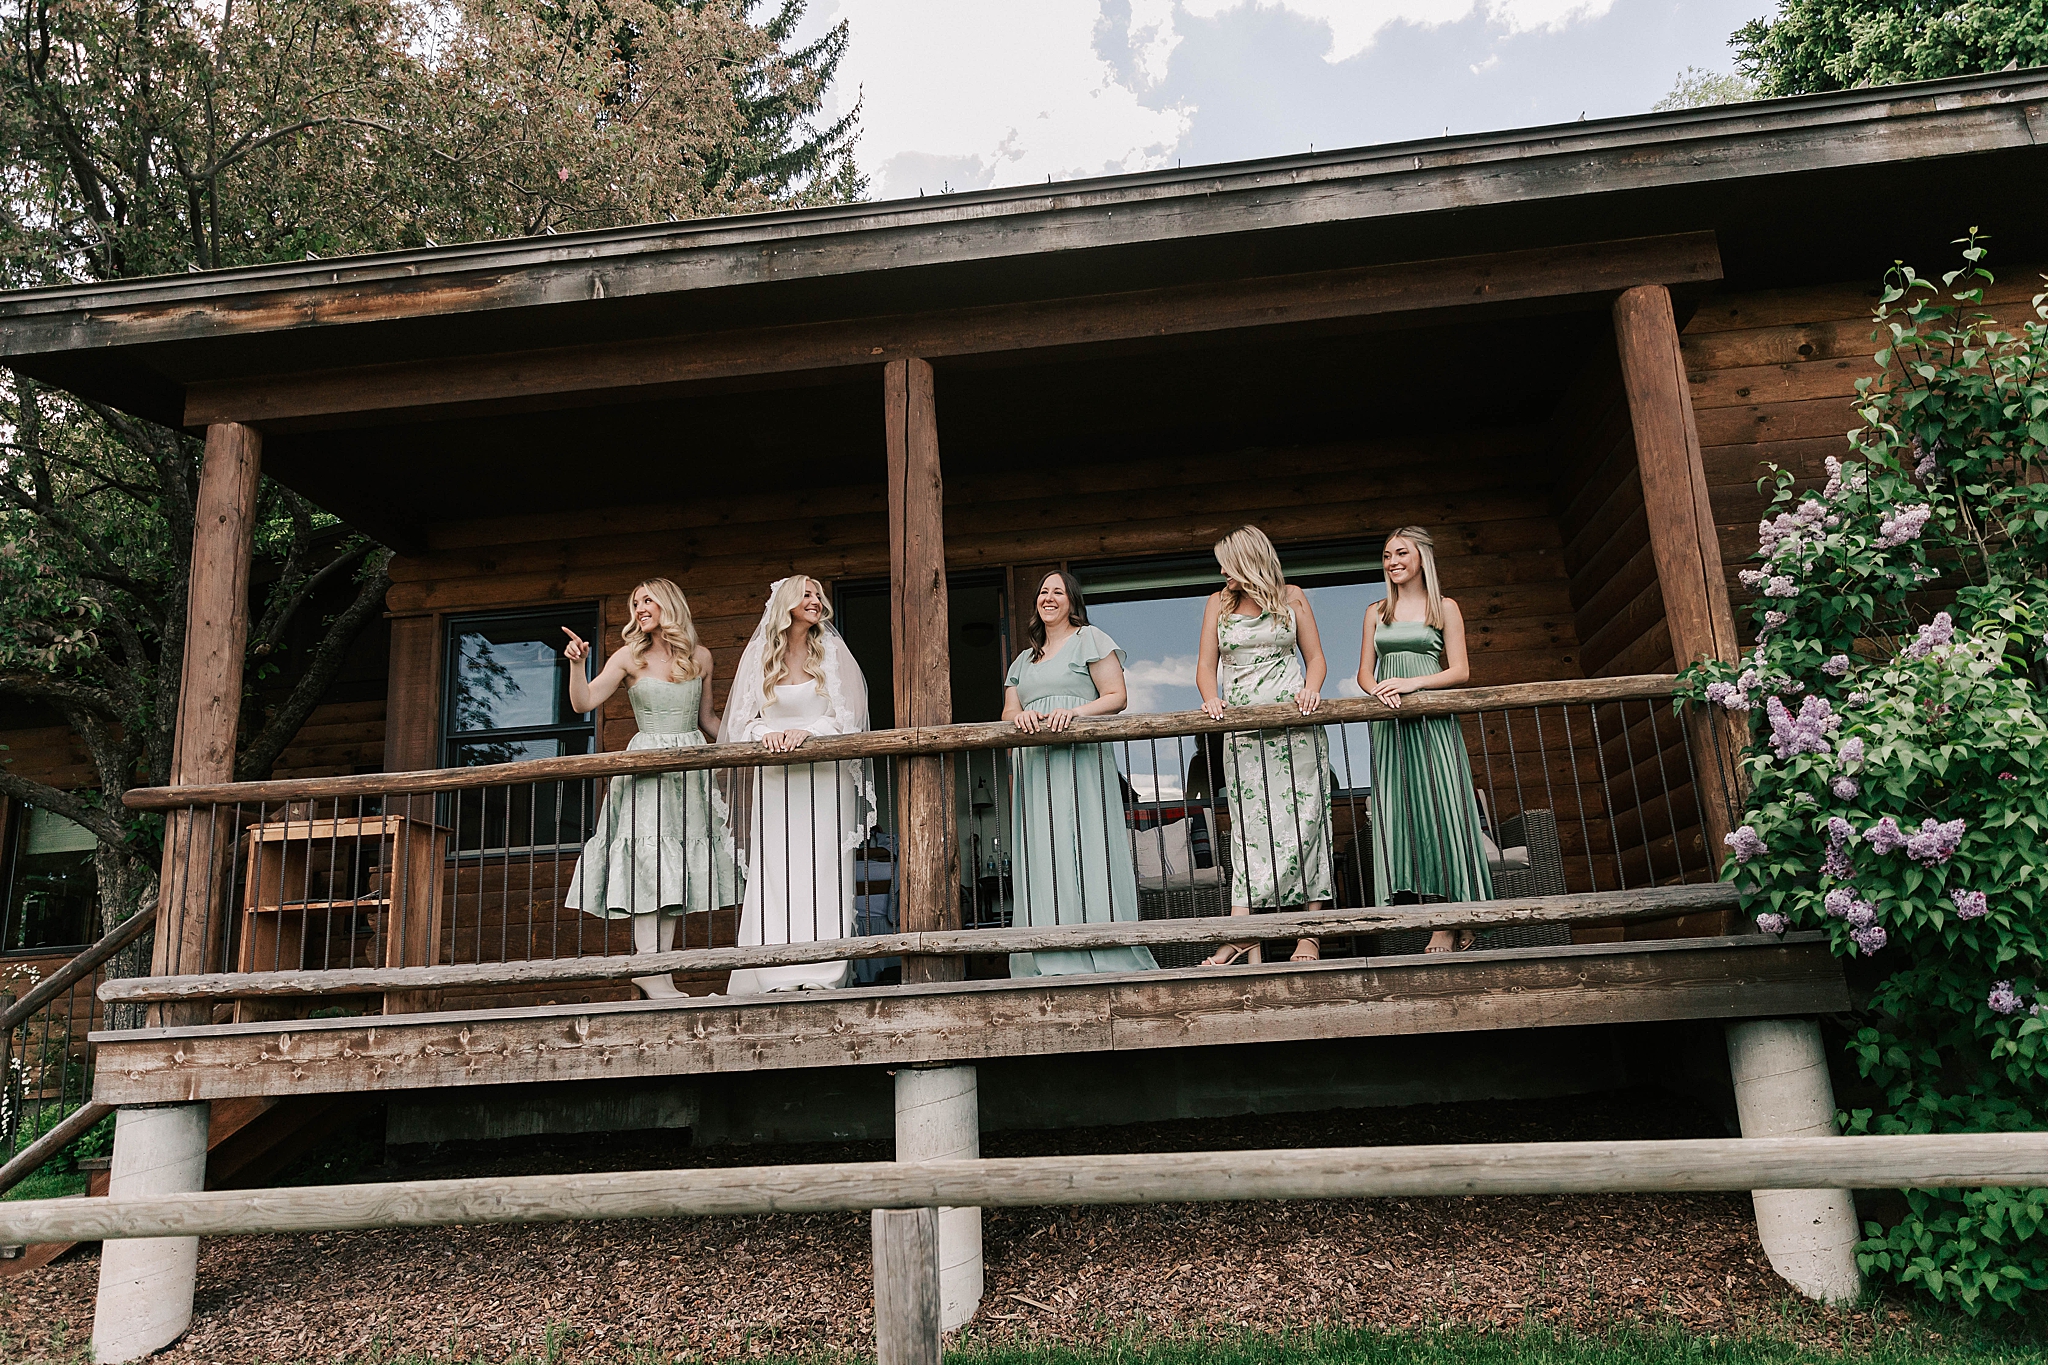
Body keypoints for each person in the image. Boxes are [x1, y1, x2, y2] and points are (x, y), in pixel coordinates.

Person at [562, 578, 738, 998]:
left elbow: (709, 721)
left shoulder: (701, 658)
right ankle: (647, 964)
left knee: (674, 869)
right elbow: (583, 702)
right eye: (634, 603)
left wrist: (750, 743)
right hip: (646, 771)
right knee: (649, 862)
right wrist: (575, 664)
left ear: (669, 603)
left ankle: (660, 971)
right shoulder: (628, 657)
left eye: (646, 600)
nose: (639, 607)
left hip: (691, 772)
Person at [718, 576, 872, 994]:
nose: (815, 601)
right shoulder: (759, 656)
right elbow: (739, 723)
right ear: (785, 603)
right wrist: (764, 734)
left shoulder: (834, 653)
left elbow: (850, 718)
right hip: (776, 781)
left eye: (818, 595)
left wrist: (808, 731)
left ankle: (823, 971)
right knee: (777, 867)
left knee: (823, 866)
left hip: (824, 779)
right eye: (806, 594)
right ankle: (773, 970)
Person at [1003, 570, 1157, 978]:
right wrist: (1023, 717)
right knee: (1042, 850)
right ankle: (1048, 952)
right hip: (1036, 767)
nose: (1048, 598)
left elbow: (1117, 697)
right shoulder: (1023, 659)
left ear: (1072, 601)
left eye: (1058, 592)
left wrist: (1072, 713)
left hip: (1081, 760)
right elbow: (1007, 711)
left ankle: (1104, 949)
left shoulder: (1089, 638)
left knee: (1088, 843)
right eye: (1042, 592)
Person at [1195, 526, 1333, 967]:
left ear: (1248, 560)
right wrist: (1210, 698)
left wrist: (1311, 690)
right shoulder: (1217, 603)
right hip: (1244, 734)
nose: (1221, 571)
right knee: (1250, 827)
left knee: (1308, 821)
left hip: (1297, 730)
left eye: (1227, 563)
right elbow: (1205, 667)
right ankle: (1243, 932)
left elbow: (1316, 660)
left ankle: (1309, 936)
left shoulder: (1291, 597)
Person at [1357, 525, 1493, 952]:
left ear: (1422, 559)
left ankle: (1450, 917)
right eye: (1386, 555)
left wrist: (1411, 684)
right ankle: (1441, 912)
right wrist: (1377, 688)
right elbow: (1364, 673)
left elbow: (1460, 672)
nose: (1393, 561)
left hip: (1432, 722)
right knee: (1406, 815)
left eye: (1401, 553)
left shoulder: (1444, 608)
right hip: (1390, 725)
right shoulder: (1376, 611)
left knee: (1442, 809)